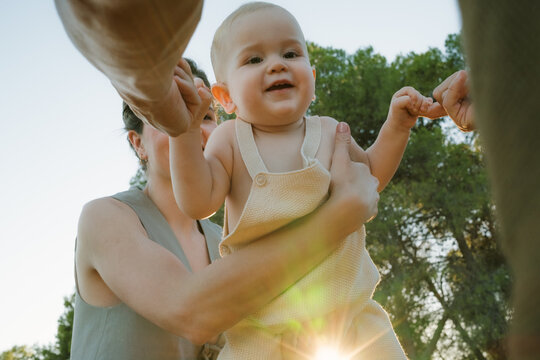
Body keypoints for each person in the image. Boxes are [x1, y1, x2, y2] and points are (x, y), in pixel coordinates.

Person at [168, 3, 446, 359]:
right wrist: (184, 131)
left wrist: (397, 127)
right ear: (225, 97)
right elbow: (197, 202)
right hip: (262, 336)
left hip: (351, 323)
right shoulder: (230, 140)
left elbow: (370, 177)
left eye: (290, 53)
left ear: (312, 78)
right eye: (253, 60)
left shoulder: (330, 132)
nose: (276, 64)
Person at [69, 58, 381, 360]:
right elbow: (191, 311)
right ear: (138, 143)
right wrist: (340, 217)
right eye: (171, 115)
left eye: (205, 117)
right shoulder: (105, 218)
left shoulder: (230, 238)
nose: (192, 127)